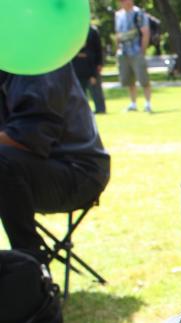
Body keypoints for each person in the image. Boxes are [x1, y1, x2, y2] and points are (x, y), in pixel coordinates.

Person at [0, 66, 110, 267]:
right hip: (29, 168)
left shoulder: (39, 62)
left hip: (78, 171)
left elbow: (28, 137)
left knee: (2, 160)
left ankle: (31, 266)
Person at [114, 0, 153, 113]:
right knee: (129, 80)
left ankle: (147, 103)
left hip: (136, 51)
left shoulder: (139, 13)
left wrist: (142, 50)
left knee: (143, 79)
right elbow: (118, 34)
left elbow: (145, 33)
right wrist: (117, 49)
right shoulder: (118, 15)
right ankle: (133, 103)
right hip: (124, 52)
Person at [71, 24, 106, 114]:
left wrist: (99, 63)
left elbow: (98, 49)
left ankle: (100, 108)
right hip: (77, 65)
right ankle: (81, 110)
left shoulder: (92, 31)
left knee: (95, 88)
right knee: (80, 89)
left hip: (91, 65)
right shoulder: (72, 29)